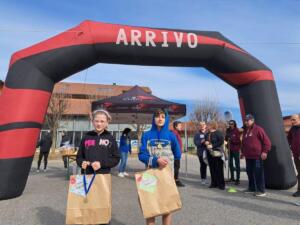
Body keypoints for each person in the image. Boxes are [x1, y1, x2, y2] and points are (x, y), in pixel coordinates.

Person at [76, 109, 120, 225]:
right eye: (96, 121)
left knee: (103, 207)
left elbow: (116, 158)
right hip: (87, 177)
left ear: (107, 123)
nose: (99, 124)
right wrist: (82, 163)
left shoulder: (110, 138)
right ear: (92, 121)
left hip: (103, 178)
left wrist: (102, 163)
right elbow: (79, 157)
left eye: (102, 121)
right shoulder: (86, 137)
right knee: (87, 206)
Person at [139, 109, 181, 225]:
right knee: (149, 207)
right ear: (153, 119)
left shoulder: (171, 136)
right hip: (149, 175)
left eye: (163, 116)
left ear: (166, 119)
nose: (160, 118)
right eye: (157, 116)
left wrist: (168, 164)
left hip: (166, 176)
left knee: (167, 208)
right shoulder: (146, 135)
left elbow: (178, 154)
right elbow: (141, 154)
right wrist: (155, 160)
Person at [241, 114, 271, 197]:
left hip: (257, 156)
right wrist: (243, 152)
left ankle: (261, 191)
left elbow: (267, 142)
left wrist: (265, 152)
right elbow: (244, 143)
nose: (246, 122)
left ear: (252, 120)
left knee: (258, 173)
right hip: (248, 156)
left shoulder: (258, 129)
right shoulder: (245, 131)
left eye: (248, 120)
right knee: (249, 172)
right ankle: (252, 188)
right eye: (245, 120)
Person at [205, 121, 225, 190]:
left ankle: (221, 184)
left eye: (208, 124)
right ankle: (214, 183)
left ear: (212, 125)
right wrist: (206, 142)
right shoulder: (207, 133)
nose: (207, 126)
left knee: (219, 169)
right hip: (210, 153)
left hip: (217, 153)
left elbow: (221, 141)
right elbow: (206, 141)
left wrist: (212, 145)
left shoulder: (218, 133)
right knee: (212, 169)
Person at [225, 120, 241, 185]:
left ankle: (238, 179)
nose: (231, 125)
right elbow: (226, 139)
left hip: (236, 149)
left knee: (237, 164)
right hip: (229, 149)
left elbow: (239, 141)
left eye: (232, 124)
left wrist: (232, 139)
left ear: (234, 124)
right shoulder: (228, 130)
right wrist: (226, 143)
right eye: (230, 124)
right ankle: (232, 177)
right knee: (230, 163)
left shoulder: (237, 130)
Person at [287, 114, 300, 197]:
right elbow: (289, 139)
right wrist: (289, 147)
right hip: (296, 155)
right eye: (291, 120)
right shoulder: (293, 129)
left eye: (294, 119)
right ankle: (299, 190)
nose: (292, 121)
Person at [172, 121, 185, 187]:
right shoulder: (174, 133)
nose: (181, 127)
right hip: (175, 154)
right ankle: (176, 181)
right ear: (176, 126)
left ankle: (175, 180)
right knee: (176, 167)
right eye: (180, 125)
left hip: (177, 153)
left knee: (176, 167)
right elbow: (174, 144)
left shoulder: (177, 133)